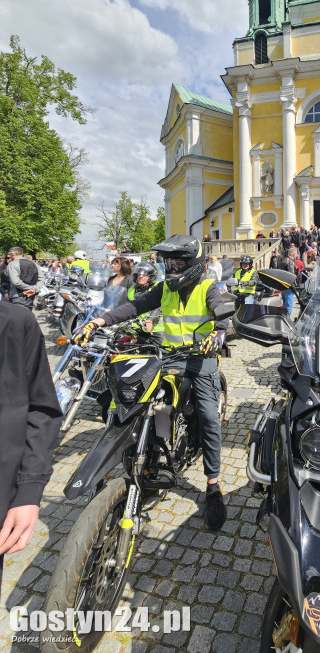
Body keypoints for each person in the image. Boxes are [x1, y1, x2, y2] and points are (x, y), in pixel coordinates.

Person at [74, 236, 229, 530]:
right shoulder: (164, 289)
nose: (172, 268)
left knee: (209, 417)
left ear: (194, 263)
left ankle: (213, 485)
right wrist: (98, 322)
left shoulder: (207, 288)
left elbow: (221, 311)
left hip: (200, 358)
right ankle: (147, 457)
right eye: (168, 262)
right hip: (168, 357)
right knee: (141, 402)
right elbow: (135, 306)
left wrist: (219, 332)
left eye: (178, 262)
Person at [0, 303, 62, 594]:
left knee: (204, 405)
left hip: (192, 355)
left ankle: (212, 481)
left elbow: (41, 409)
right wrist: (97, 320)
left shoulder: (14, 320)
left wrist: (28, 489)